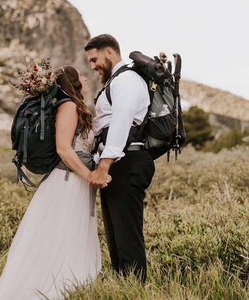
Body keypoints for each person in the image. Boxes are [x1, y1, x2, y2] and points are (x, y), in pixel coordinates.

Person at [0, 65, 106, 300]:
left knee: (69, 234)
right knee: (59, 234)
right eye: (81, 75)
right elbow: (63, 149)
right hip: (66, 182)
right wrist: (89, 176)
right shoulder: (69, 106)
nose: (85, 77)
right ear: (73, 82)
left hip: (75, 181)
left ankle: (71, 283)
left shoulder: (75, 106)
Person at [84, 34, 155, 283]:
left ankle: (134, 289)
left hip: (127, 162)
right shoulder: (116, 81)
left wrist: (103, 166)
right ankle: (123, 288)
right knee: (115, 236)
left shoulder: (127, 80)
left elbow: (121, 121)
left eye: (95, 59)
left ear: (110, 53)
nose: (93, 66)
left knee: (127, 235)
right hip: (120, 162)